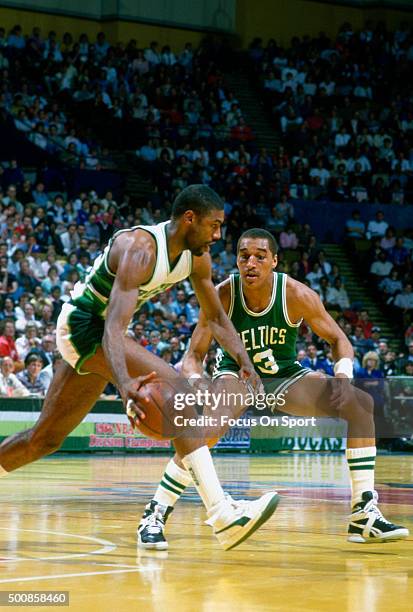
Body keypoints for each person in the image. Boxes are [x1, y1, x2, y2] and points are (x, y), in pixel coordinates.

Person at [0, 185, 278, 551]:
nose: (217, 235)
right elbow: (112, 328)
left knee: (44, 440)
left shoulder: (197, 258)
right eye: (213, 225)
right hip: (83, 328)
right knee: (177, 391)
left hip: (106, 336)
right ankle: (222, 515)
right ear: (189, 219)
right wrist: (125, 381)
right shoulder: (141, 249)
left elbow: (216, 317)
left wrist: (245, 361)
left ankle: (220, 514)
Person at [139, 228, 408, 549]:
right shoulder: (223, 295)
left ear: (275, 261)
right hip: (236, 376)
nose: (251, 263)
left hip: (283, 376)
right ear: (237, 260)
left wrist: (343, 375)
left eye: (260, 257)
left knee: (360, 404)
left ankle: (363, 514)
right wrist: (197, 384)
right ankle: (156, 511)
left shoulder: (296, 294)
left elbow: (339, 340)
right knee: (205, 432)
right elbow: (194, 355)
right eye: (244, 256)